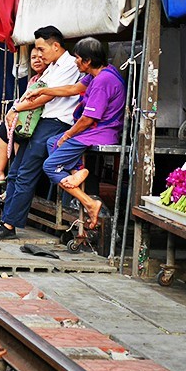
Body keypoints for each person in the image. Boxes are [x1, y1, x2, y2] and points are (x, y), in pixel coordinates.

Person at [0, 26, 81, 240]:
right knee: (15, 170)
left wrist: (16, 109)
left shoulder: (69, 65)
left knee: (26, 172)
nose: (39, 54)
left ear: (56, 46)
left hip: (57, 122)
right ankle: (6, 218)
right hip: (43, 122)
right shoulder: (53, 67)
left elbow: (46, 96)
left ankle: (9, 225)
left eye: (42, 49)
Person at [29, 37, 126, 229]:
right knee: (51, 142)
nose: (75, 61)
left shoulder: (103, 81)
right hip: (94, 130)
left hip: (100, 132)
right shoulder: (98, 74)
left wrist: (67, 135)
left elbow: (87, 119)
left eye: (78, 58)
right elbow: (73, 89)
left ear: (87, 61)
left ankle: (90, 203)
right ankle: (76, 171)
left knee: (50, 166)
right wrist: (43, 91)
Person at [0, 48, 47, 183]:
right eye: (33, 58)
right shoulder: (33, 79)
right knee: (8, 130)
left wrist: (15, 110)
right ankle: (2, 174)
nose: (37, 60)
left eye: (40, 57)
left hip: (41, 122)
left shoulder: (47, 79)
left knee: (10, 132)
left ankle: (1, 173)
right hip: (29, 120)